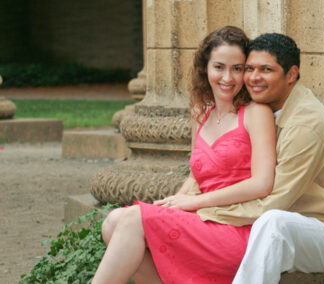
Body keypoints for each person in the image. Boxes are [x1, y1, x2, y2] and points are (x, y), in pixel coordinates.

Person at [91, 26, 277, 284]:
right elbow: (196, 173)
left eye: (237, 68)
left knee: (131, 221)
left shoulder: (256, 113)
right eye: (219, 67)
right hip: (202, 219)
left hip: (237, 226)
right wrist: (177, 200)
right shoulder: (200, 114)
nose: (228, 77)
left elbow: (262, 183)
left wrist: (194, 203)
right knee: (112, 223)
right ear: (206, 69)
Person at [195, 33, 324, 284]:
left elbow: (273, 204)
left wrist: (202, 210)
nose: (253, 77)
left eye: (266, 70)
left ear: (291, 74)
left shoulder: (306, 125)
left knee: (273, 222)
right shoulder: (262, 111)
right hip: (281, 226)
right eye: (250, 68)